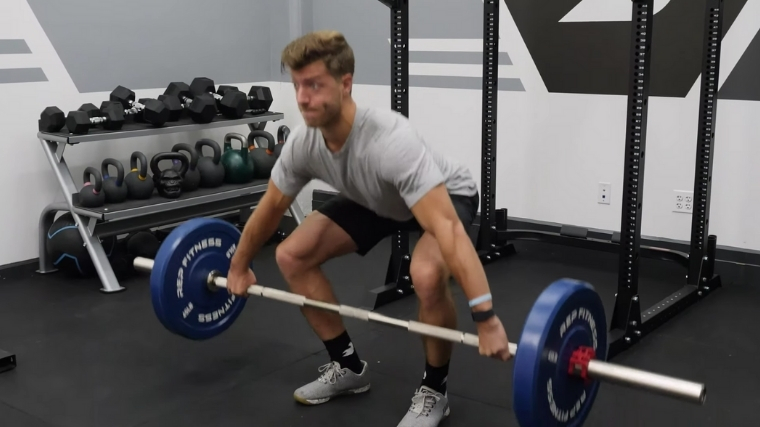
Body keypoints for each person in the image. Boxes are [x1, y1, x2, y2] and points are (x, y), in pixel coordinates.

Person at [226, 30, 510, 427]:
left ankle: (435, 390)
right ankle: (348, 368)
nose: (303, 98)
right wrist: (239, 266)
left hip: (446, 194)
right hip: (377, 198)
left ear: (346, 84)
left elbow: (447, 229)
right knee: (292, 255)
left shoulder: (389, 141)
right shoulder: (304, 144)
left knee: (426, 275)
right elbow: (271, 208)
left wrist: (487, 317)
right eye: (297, 86)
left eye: (314, 85)